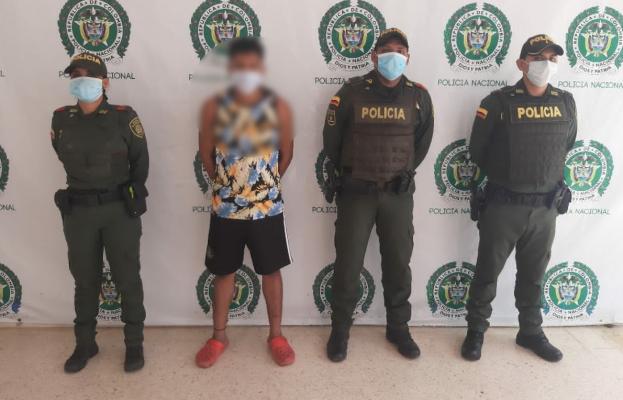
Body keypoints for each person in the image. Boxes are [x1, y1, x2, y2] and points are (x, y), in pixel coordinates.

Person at [462, 34, 576, 362]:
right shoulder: (498, 102)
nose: (546, 64)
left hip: (545, 208)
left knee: (533, 277)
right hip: (504, 205)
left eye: (552, 58)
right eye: (539, 58)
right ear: (522, 64)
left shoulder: (566, 102)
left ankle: (530, 332)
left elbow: (566, 145)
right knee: (487, 273)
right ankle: (476, 331)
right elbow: (477, 150)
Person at [322, 28, 434, 362]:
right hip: (357, 193)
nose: (394, 55)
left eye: (401, 50)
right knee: (348, 266)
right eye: (387, 50)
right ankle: (340, 331)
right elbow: (332, 142)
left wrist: (398, 172)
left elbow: (420, 145)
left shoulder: (418, 96)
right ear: (373, 56)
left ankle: (398, 328)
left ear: (408, 57)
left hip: (397, 195)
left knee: (399, 264)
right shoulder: (352, 92)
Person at [196, 37, 295, 368]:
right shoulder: (213, 107)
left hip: (267, 208)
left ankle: (276, 335)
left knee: (271, 271)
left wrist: (262, 188)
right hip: (226, 208)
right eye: (239, 66)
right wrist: (229, 188)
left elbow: (286, 153)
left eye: (252, 66)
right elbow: (206, 154)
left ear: (262, 69)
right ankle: (218, 336)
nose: (246, 72)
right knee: (223, 272)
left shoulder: (279, 107)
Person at [51, 53, 149, 373]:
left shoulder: (124, 117)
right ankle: (85, 344)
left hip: (118, 211)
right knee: (84, 281)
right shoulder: (61, 120)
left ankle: (134, 344)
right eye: (74, 75)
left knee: (127, 279)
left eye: (87, 75)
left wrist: (132, 196)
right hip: (79, 214)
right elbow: (63, 156)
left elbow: (140, 162)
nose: (80, 80)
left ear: (104, 82)